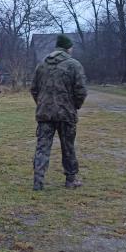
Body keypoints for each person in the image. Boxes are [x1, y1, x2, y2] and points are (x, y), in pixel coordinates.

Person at [30, 34, 87, 190]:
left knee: (42, 146)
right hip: (66, 113)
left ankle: (38, 181)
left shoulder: (42, 64)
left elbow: (34, 88)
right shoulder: (74, 65)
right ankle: (70, 179)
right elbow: (81, 90)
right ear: (68, 48)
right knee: (68, 146)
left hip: (45, 114)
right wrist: (75, 106)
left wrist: (42, 104)